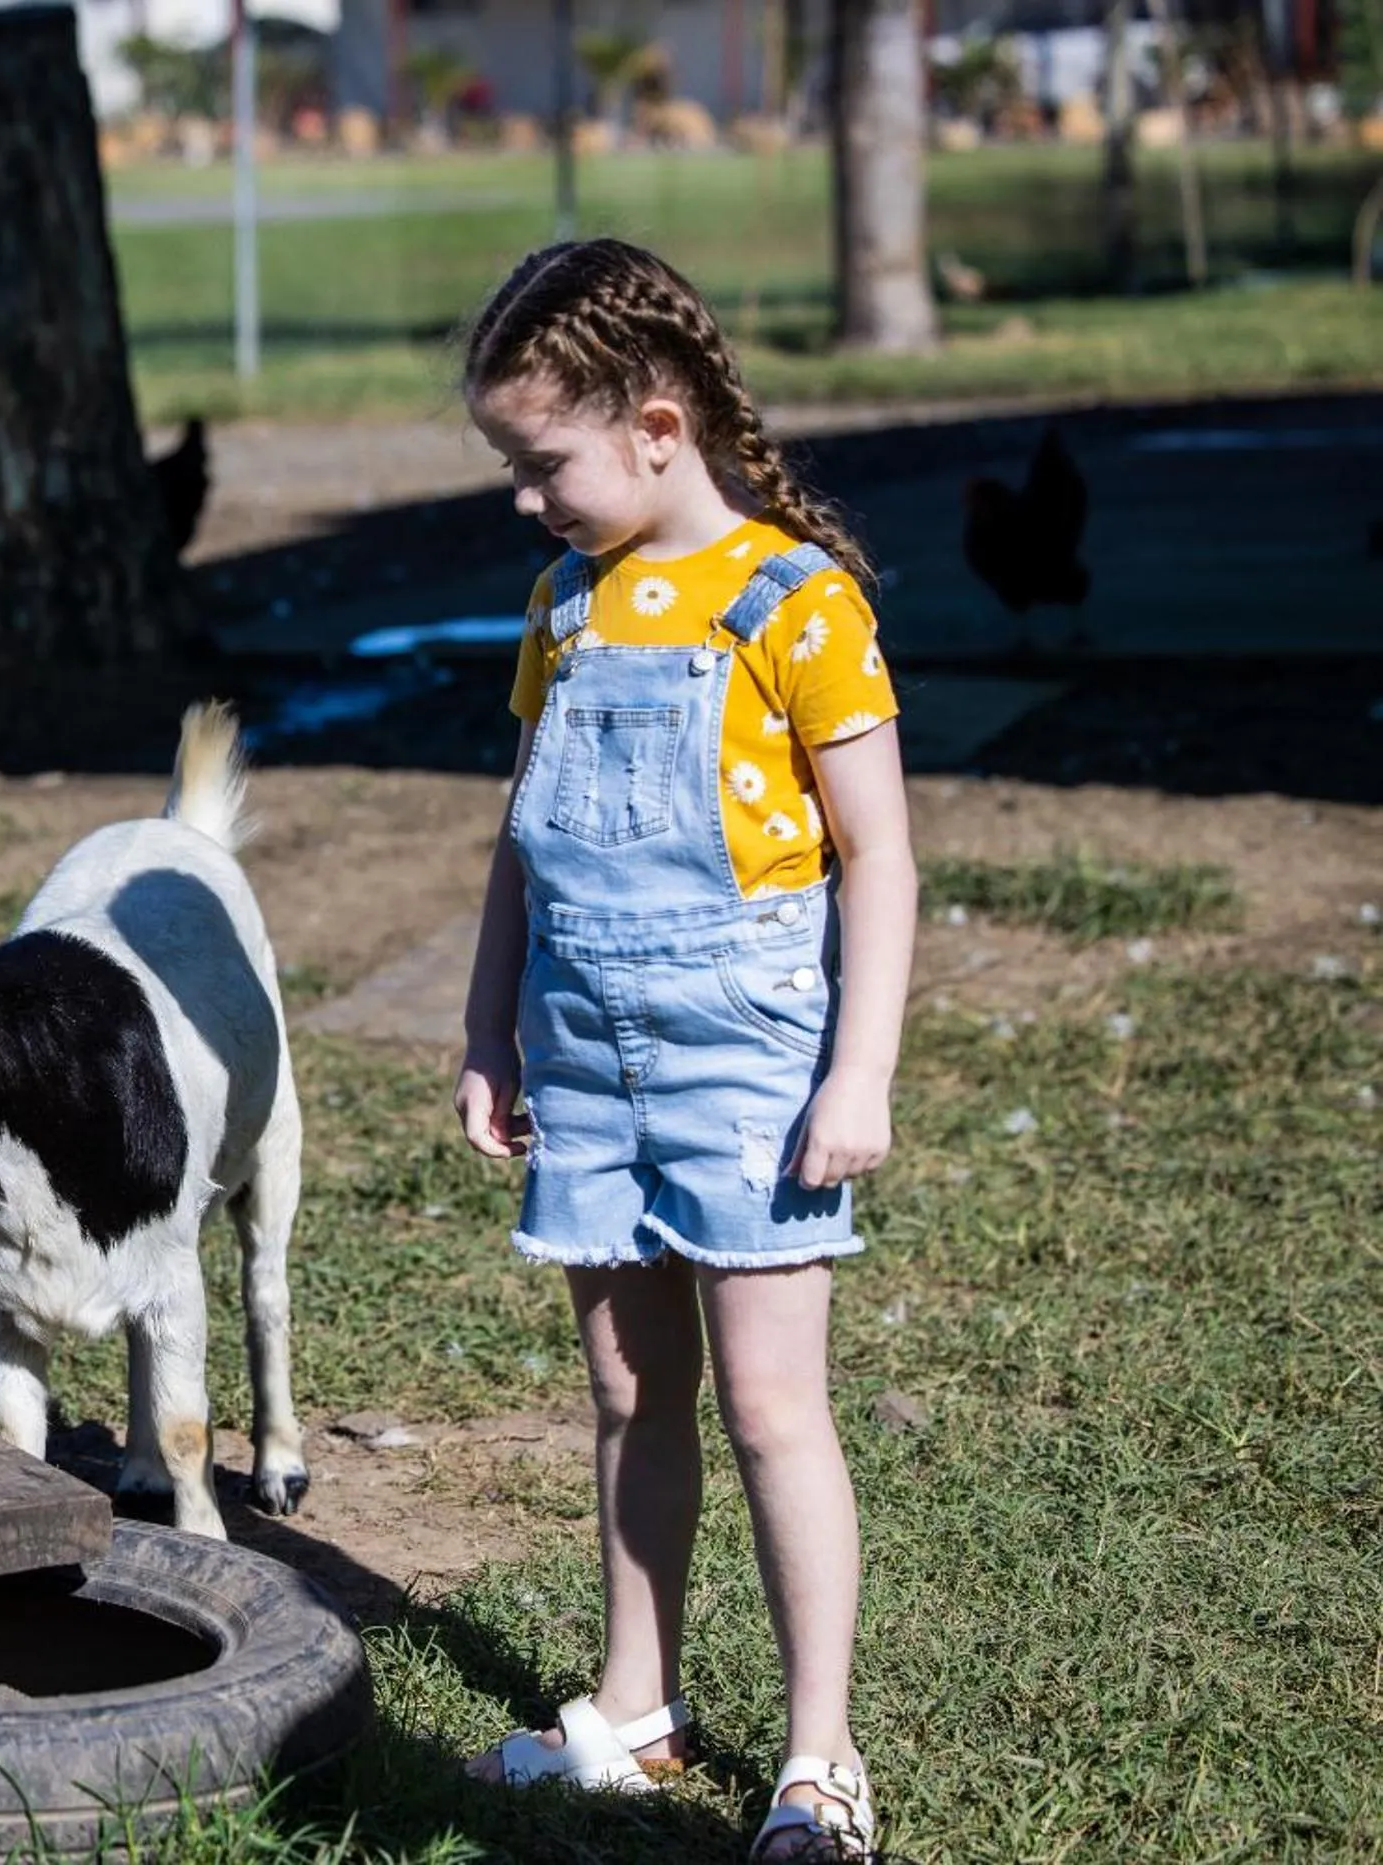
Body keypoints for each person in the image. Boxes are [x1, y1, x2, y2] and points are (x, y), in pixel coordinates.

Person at [450, 239, 915, 1864]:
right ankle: (636, 1711)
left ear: (657, 427)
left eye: (540, 463)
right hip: (581, 1051)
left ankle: (816, 1758)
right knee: (627, 1389)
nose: (525, 499)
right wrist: (485, 1020)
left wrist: (854, 1077)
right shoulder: (563, 606)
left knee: (774, 1410)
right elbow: (522, 833)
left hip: (749, 1065)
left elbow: (880, 862)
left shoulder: (799, 602)